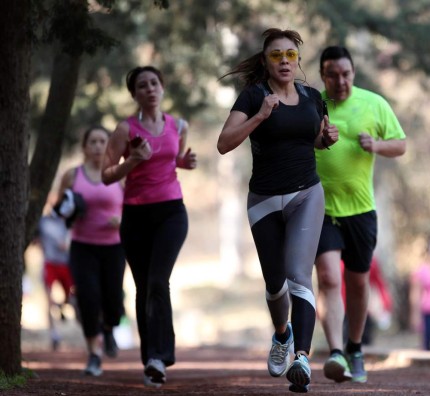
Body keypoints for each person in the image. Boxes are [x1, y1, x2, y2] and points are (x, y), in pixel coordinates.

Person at [217, 28, 338, 393]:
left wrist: (325, 140)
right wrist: (259, 117)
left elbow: (314, 138)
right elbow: (224, 143)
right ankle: (282, 335)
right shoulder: (254, 96)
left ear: (298, 59)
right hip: (265, 199)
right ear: (266, 62)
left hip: (306, 194)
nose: (284, 61)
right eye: (276, 55)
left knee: (298, 274)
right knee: (274, 284)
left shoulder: (313, 97)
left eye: (290, 55)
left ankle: (301, 357)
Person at [314, 46, 406, 384]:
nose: (340, 81)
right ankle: (336, 351)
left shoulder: (374, 104)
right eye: (332, 75)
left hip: (361, 210)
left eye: (346, 74)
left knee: (358, 282)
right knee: (328, 277)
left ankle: (354, 347)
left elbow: (400, 144)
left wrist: (376, 145)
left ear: (353, 73)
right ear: (323, 76)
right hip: (321, 209)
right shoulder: (315, 104)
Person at [101, 66, 197, 388]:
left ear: (163, 88)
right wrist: (133, 161)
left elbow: (175, 158)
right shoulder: (124, 130)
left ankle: (159, 357)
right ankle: (151, 360)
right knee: (145, 286)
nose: (150, 89)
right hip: (136, 215)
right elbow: (106, 174)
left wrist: (186, 162)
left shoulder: (178, 125)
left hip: (171, 212)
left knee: (158, 281)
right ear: (135, 94)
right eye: (142, 86)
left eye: (154, 83)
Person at [57, 126, 126, 376]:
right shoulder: (72, 176)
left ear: (109, 145)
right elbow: (59, 208)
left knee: (114, 301)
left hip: (114, 247)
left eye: (102, 141)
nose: (98, 146)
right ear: (85, 147)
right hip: (82, 246)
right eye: (93, 142)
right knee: (87, 298)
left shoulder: (119, 174)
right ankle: (94, 354)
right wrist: (70, 213)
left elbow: (133, 205)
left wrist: (121, 219)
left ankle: (108, 328)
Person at [36, 205, 75, 351]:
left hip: (65, 264)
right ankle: (54, 334)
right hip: (49, 263)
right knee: (48, 298)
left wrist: (67, 244)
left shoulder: (67, 221)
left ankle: (61, 307)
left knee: (69, 298)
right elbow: (37, 239)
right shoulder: (43, 221)